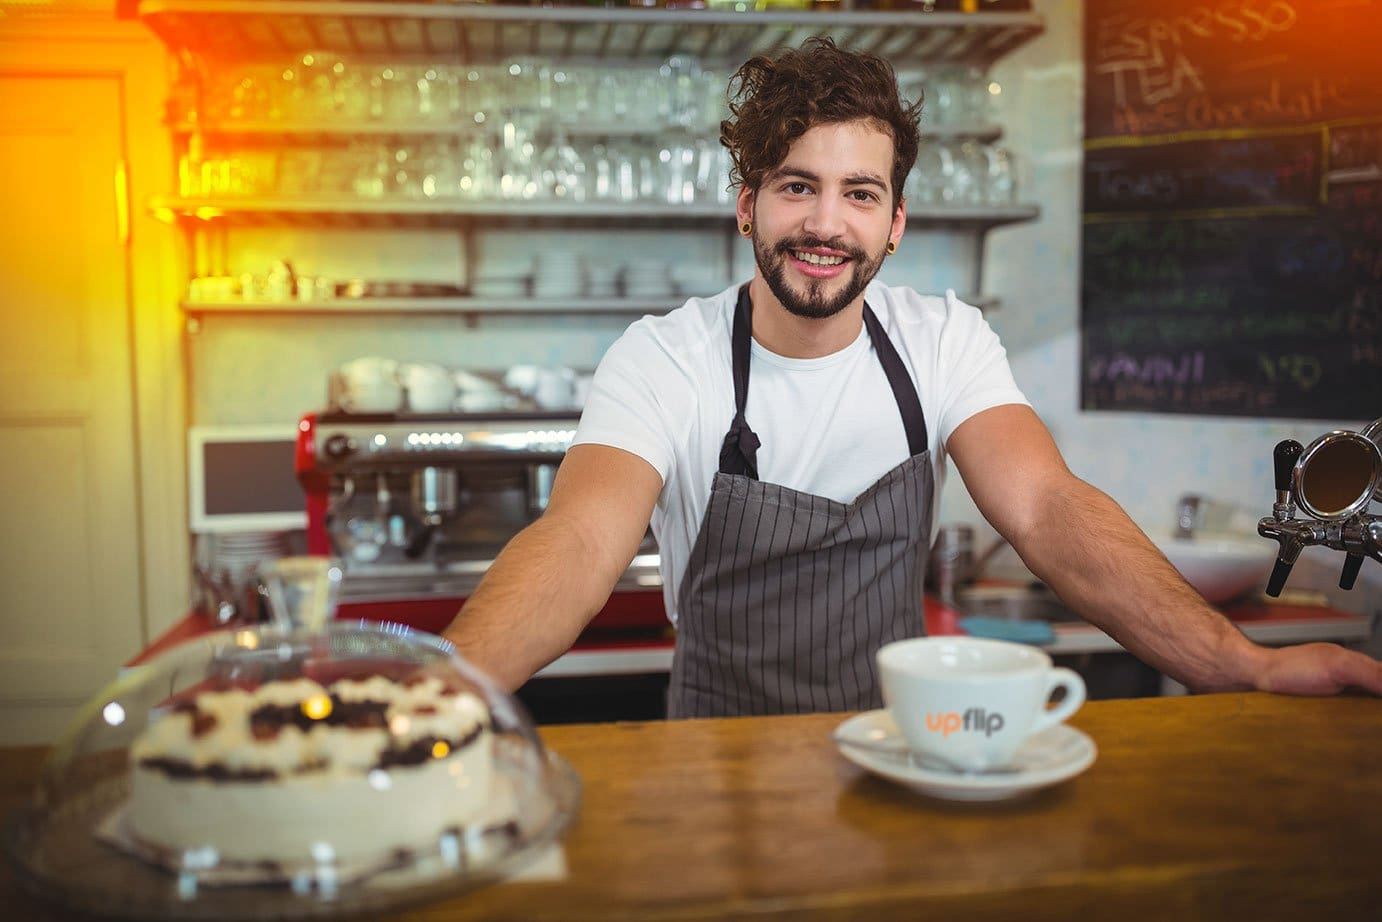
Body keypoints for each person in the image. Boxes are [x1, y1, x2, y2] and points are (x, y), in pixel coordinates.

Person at [442, 38, 1382, 716]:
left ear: (895, 222)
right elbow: (579, 541)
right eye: (796, 185)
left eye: (859, 193)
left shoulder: (944, 342)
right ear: (747, 206)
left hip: (899, 744)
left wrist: (1238, 662)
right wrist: (436, 690)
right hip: (716, 756)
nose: (825, 223)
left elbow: (1047, 508)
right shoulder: (663, 356)